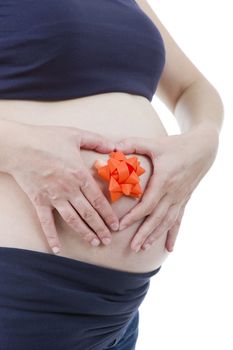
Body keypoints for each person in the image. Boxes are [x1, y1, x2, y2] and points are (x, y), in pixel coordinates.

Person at [0, 1, 224, 349]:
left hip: (120, 311)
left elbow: (190, 87)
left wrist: (204, 141)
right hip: (18, 293)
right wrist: (17, 147)